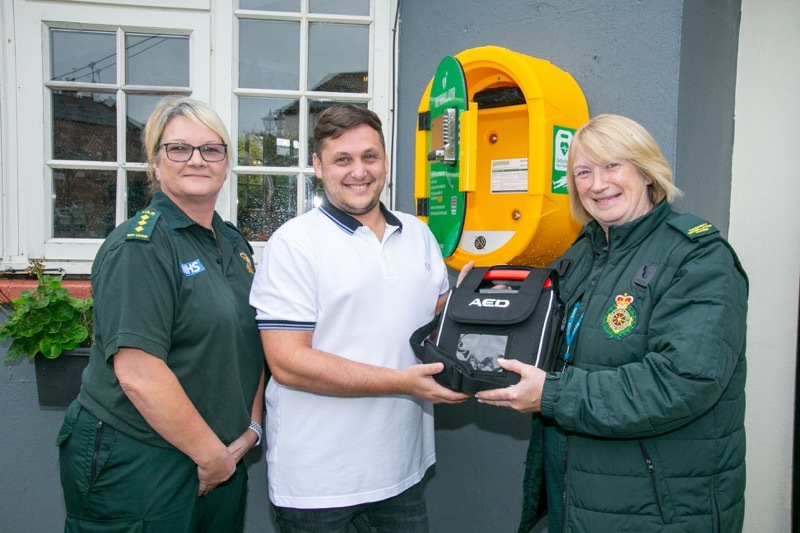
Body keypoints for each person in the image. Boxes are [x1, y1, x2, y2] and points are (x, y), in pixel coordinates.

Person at [475, 114, 748, 531]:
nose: (597, 184)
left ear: (646, 171)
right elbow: (536, 325)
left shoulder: (698, 257)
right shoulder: (584, 251)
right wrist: (472, 302)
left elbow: (683, 380)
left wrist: (552, 395)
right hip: (578, 501)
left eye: (612, 165)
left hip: (657, 510)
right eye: (584, 172)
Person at [249, 103, 469, 532]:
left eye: (370, 157)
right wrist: (403, 381)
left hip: (402, 470)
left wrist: (480, 301)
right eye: (342, 160)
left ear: (386, 159)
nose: (359, 171)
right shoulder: (294, 244)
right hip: (319, 484)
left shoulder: (418, 234)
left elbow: (437, 318)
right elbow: (288, 362)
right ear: (317, 166)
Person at [58, 96, 266, 532]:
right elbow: (139, 373)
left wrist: (250, 429)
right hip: (139, 456)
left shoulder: (233, 244)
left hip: (221, 454)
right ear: (154, 162)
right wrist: (212, 457)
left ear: (227, 163)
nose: (197, 160)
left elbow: (251, 340)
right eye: (179, 148)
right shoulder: (141, 247)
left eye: (211, 149)